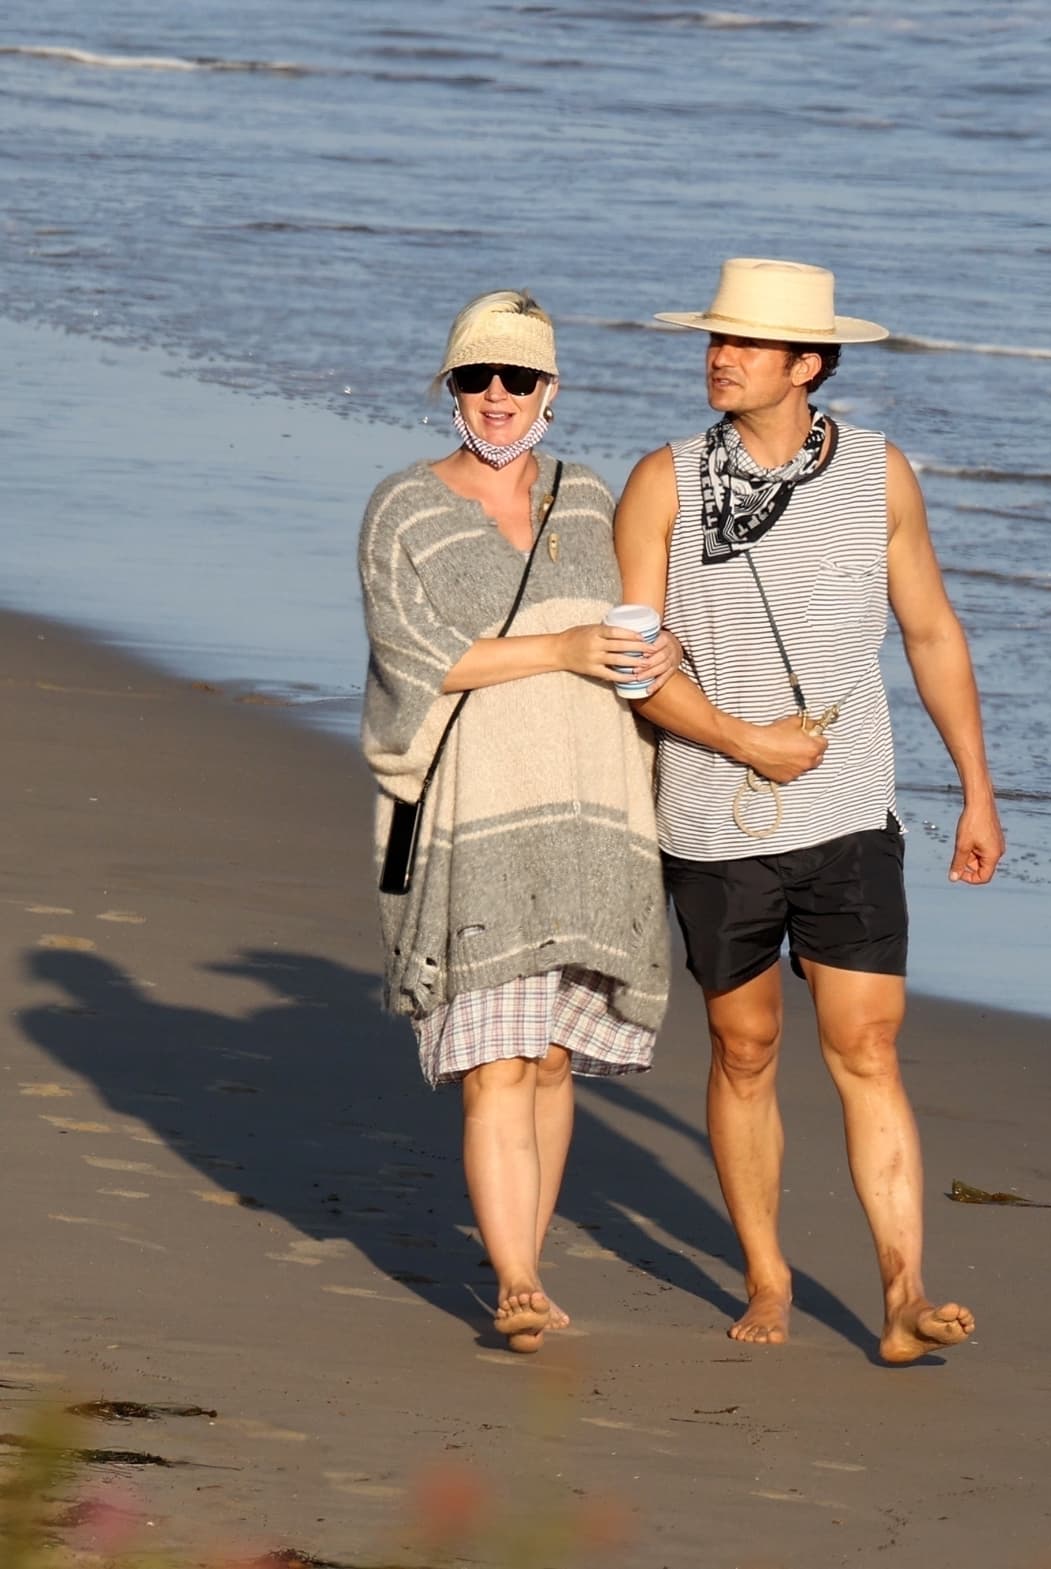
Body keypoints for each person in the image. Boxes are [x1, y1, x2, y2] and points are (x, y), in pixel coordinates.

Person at [614, 257, 1004, 1363]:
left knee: (866, 1044)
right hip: (712, 808)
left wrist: (975, 790)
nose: (716, 358)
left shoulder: (880, 476)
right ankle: (768, 1277)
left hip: (847, 808)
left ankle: (899, 1293)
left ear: (807, 364)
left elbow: (930, 633)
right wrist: (742, 740)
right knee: (744, 1049)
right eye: (712, 340)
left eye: (741, 344)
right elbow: (631, 661)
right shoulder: (663, 482)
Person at [358, 289, 674, 1352]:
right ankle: (519, 1279)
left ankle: (523, 1270)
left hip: (590, 811)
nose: (496, 398)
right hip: (475, 814)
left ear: (551, 390)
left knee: (546, 1062)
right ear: (447, 390)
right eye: (475, 379)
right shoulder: (401, 507)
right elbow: (419, 660)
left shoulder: (589, 497)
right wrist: (561, 651)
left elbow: (637, 628)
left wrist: (659, 658)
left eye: (517, 379)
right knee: (492, 1060)